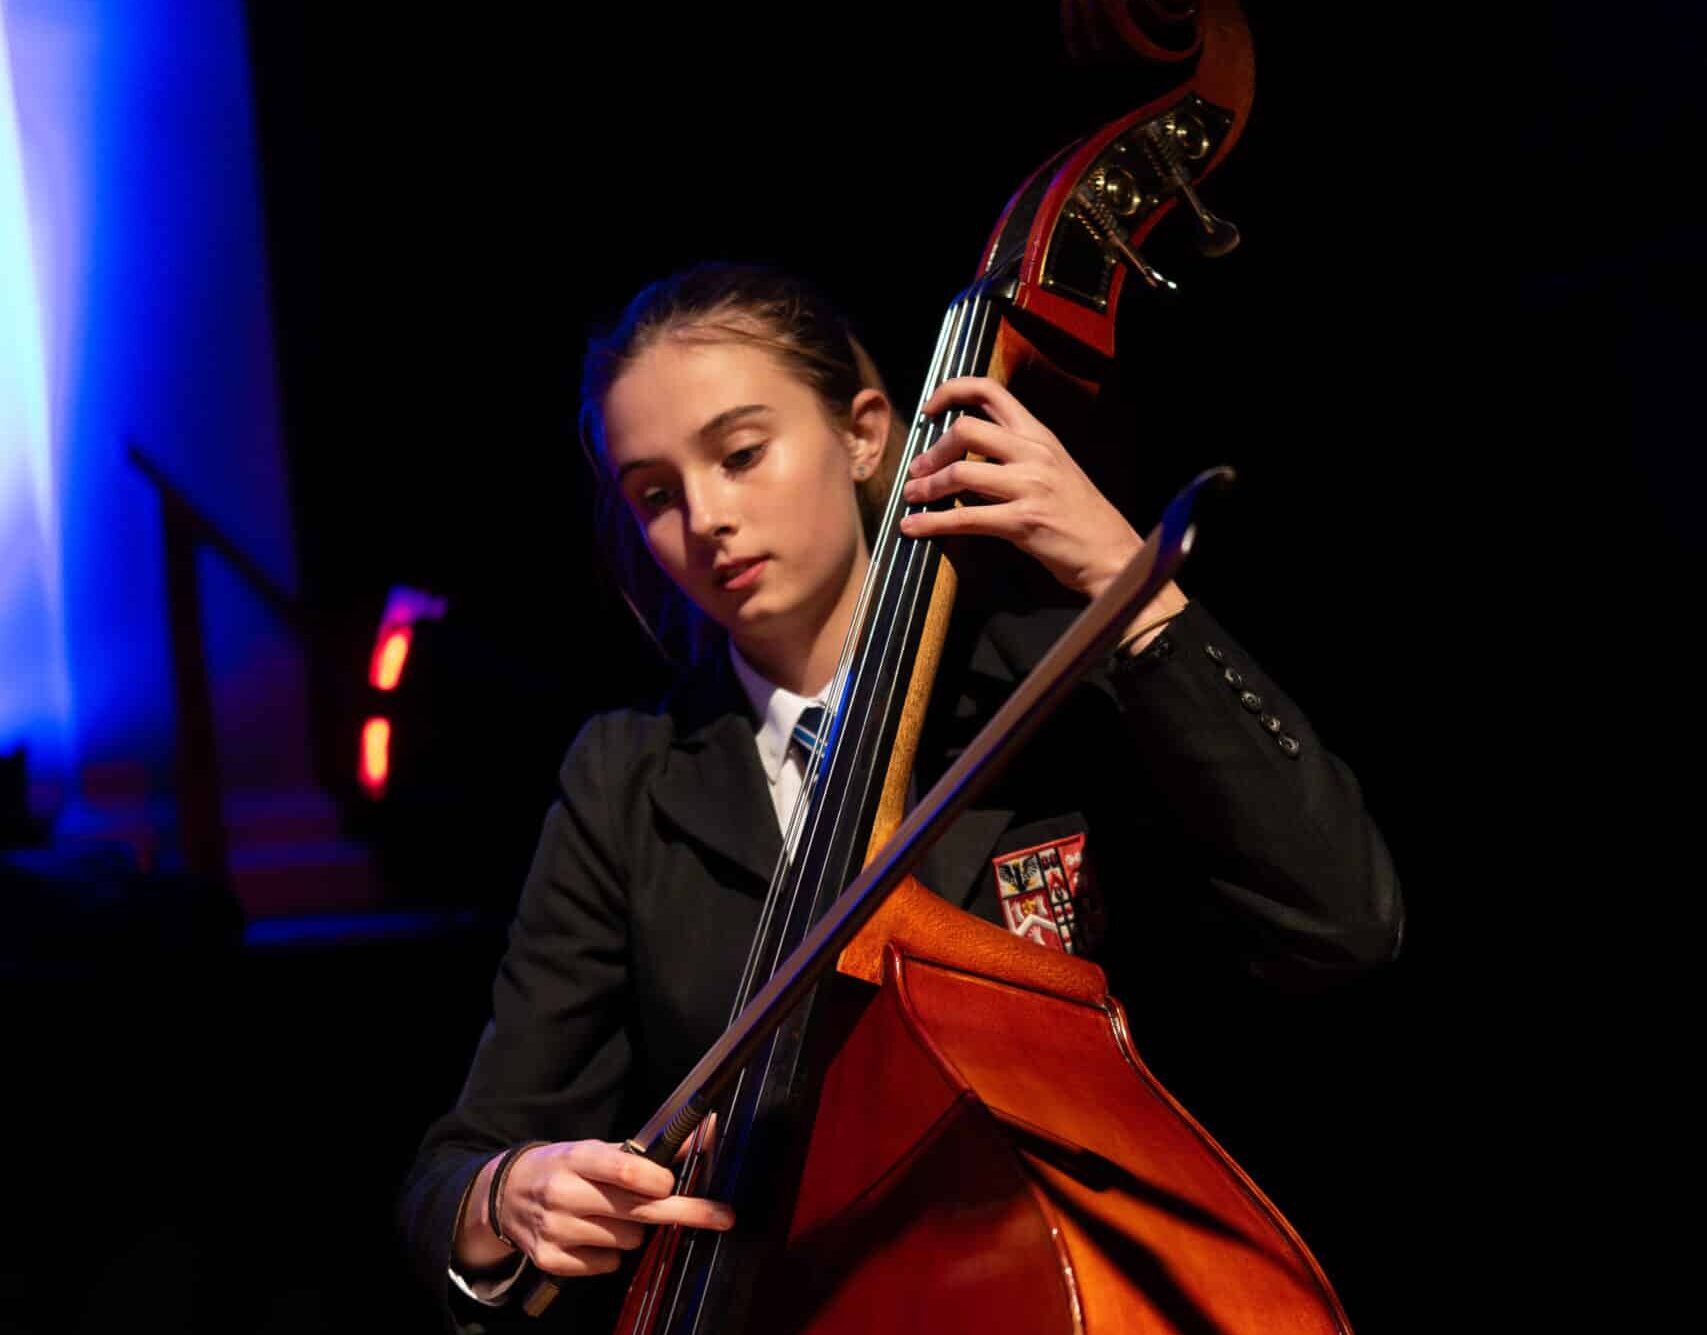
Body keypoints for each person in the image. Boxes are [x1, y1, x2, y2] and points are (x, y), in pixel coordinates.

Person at [397, 262, 1403, 1332]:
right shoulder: (627, 774)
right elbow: (459, 1166)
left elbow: (1341, 922)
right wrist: (509, 1196)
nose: (706, 517)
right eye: (655, 495)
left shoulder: (1055, 682)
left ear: (867, 433)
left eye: (742, 455)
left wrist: (1133, 591)